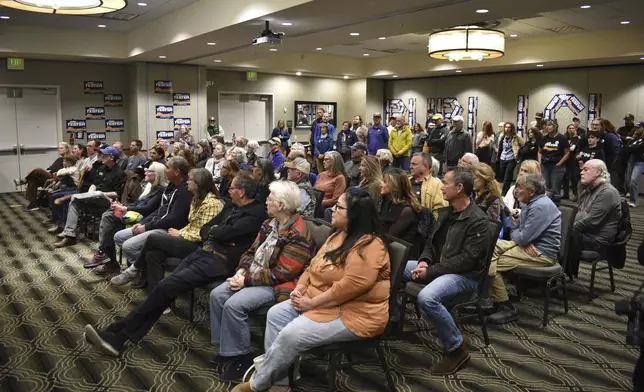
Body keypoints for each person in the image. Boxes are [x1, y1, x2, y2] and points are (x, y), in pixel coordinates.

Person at [83, 174, 267, 357]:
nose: (228, 190)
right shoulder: (231, 205)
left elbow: (225, 232)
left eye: (232, 188)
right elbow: (207, 230)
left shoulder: (256, 213)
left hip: (219, 261)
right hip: (204, 252)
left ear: (241, 192)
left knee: (164, 287)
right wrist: (216, 233)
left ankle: (118, 335)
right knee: (162, 289)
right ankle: (118, 333)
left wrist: (216, 233)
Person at [231, 187, 390, 392]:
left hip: (356, 314)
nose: (332, 209)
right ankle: (280, 383)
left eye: (339, 207)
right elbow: (312, 265)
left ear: (354, 215)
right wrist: (300, 288)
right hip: (323, 301)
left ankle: (258, 384)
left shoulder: (369, 246)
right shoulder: (338, 235)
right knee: (277, 314)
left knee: (291, 334)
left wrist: (311, 303)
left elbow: (349, 288)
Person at [209, 181, 314, 381]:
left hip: (278, 286)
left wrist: (245, 280)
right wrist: (241, 270)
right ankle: (226, 349)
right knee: (217, 294)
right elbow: (251, 251)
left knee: (234, 304)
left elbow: (282, 273)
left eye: (270, 199)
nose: (265, 201)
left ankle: (242, 356)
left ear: (281, 205)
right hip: (255, 275)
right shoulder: (269, 224)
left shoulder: (298, 234)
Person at [403, 168, 490, 375]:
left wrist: (430, 271)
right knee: (393, 265)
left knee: (427, 298)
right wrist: (424, 261)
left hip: (465, 277)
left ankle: (457, 349)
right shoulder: (446, 212)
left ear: (459, 188)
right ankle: (391, 320)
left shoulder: (478, 220)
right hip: (440, 268)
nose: (441, 186)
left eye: (446, 183)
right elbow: (430, 244)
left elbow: (466, 261)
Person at [110, 168, 223, 286]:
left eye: (190, 180)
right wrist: (180, 232)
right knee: (152, 254)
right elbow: (192, 225)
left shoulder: (212, 203)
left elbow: (204, 234)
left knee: (154, 238)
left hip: (199, 246)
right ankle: (154, 298)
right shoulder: (196, 199)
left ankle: (133, 270)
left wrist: (180, 234)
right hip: (185, 238)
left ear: (199, 183)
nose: (187, 182)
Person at [487, 174, 561, 324]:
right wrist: (520, 237)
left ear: (532, 191)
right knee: (488, 249)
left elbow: (522, 237)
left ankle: (506, 307)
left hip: (542, 254)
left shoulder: (540, 206)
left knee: (487, 263)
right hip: (528, 247)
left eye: (520, 187)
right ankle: (491, 298)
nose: (516, 190)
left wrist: (521, 238)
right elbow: (517, 231)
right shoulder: (530, 203)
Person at [106, 157, 192, 270]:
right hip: (156, 222)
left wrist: (146, 227)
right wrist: (143, 223)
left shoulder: (184, 191)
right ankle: (144, 269)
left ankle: (143, 269)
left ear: (176, 172)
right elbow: (159, 210)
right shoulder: (170, 187)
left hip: (169, 229)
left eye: (168, 168)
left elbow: (172, 219)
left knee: (128, 246)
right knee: (119, 236)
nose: (165, 170)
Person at [85, 162, 168, 271]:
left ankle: (106, 255)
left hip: (144, 218)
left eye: (149, 171)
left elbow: (148, 209)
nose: (145, 172)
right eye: (146, 170)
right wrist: (123, 206)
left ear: (158, 174)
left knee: (109, 217)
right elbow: (138, 203)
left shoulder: (162, 190)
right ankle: (107, 257)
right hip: (134, 214)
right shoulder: (149, 187)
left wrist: (125, 209)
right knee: (109, 215)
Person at [54, 146, 126, 248]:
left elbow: (118, 193)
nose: (101, 156)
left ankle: (69, 197)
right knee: (74, 202)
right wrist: (91, 191)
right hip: (94, 197)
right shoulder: (101, 168)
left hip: (107, 201)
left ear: (111, 157)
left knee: (91, 195)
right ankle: (70, 236)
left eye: (105, 155)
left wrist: (101, 193)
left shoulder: (120, 173)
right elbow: (94, 183)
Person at [567, 159, 621, 278]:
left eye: (586, 170)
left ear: (598, 172)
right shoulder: (588, 188)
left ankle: (558, 276)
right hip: (585, 233)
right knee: (555, 234)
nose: (581, 172)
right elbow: (578, 212)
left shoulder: (607, 192)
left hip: (597, 239)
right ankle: (561, 274)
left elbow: (591, 221)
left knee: (558, 238)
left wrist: (567, 229)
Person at [19, 142, 71, 211]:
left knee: (38, 170)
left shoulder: (68, 159)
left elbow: (65, 171)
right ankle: (33, 203)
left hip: (56, 179)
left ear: (67, 149)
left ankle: (25, 180)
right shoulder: (59, 159)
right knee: (32, 180)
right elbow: (51, 168)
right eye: (58, 148)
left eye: (61, 148)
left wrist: (53, 173)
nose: (59, 149)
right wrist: (48, 171)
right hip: (50, 177)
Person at [379, 168, 421, 244]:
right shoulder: (387, 201)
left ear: (394, 185)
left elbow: (390, 238)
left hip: (398, 252)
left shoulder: (407, 210)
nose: (380, 184)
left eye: (384, 182)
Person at [538, 120, 570, 203]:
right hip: (545, 165)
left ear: (555, 126)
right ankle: (545, 204)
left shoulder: (562, 138)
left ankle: (556, 205)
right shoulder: (544, 138)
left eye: (550, 125)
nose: (547, 127)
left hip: (557, 165)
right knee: (545, 186)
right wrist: (540, 162)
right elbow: (539, 151)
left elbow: (567, 153)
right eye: (547, 125)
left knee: (555, 188)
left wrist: (559, 163)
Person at [409, 152, 448, 217]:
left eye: (414, 164)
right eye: (410, 164)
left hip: (423, 222)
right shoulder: (405, 180)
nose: (410, 167)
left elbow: (440, 211)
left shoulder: (437, 185)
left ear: (425, 166)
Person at [497, 122, 524, 196]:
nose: (507, 129)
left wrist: (518, 153)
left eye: (509, 127)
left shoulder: (516, 136)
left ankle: (504, 193)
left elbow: (523, 144)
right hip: (503, 157)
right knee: (501, 176)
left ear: (512, 128)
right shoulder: (502, 136)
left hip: (511, 158)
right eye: (506, 127)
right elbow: (500, 147)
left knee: (507, 176)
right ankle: (501, 190)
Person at [625, 126, 644, 207]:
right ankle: (632, 200)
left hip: (640, 161)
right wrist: (632, 138)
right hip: (631, 160)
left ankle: (634, 201)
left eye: (639, 128)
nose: (637, 130)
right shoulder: (635, 139)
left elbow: (637, 148)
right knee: (628, 181)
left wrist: (632, 147)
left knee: (633, 180)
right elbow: (627, 147)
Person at [563, 123, 581, 201]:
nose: (571, 129)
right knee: (565, 178)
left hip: (573, 160)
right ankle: (565, 194)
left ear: (575, 130)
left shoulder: (577, 139)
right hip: (565, 160)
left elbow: (573, 149)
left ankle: (575, 194)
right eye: (569, 128)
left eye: (573, 128)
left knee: (574, 178)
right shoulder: (564, 138)